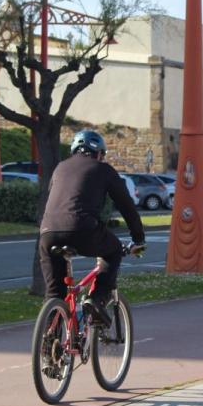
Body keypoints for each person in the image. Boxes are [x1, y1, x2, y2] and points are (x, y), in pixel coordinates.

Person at [38, 130, 145, 325]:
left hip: (48, 232)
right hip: (82, 228)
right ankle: (96, 300)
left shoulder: (60, 168)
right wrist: (138, 238)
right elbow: (126, 205)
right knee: (113, 251)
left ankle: (48, 345)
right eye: (102, 155)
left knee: (54, 293)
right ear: (99, 153)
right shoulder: (103, 170)